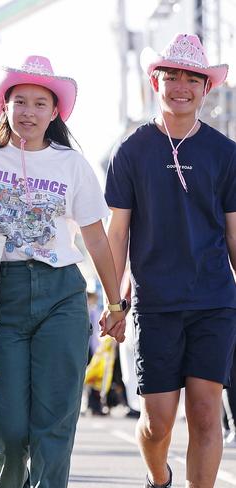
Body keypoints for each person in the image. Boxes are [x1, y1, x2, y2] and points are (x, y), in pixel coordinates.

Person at [0, 55, 126, 487]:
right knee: (6, 424)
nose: (28, 112)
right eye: (19, 101)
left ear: (55, 111)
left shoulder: (71, 163)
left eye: (39, 103)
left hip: (60, 290)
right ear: (3, 106)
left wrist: (115, 302)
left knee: (55, 419)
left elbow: (96, 238)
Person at [105, 33, 236, 488]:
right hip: (155, 303)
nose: (181, 85)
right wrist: (113, 300)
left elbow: (234, 232)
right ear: (155, 82)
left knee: (205, 416)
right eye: (172, 76)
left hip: (214, 300)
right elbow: (117, 232)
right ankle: (158, 477)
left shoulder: (225, 153)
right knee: (157, 421)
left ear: (206, 88)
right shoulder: (132, 150)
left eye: (191, 78)